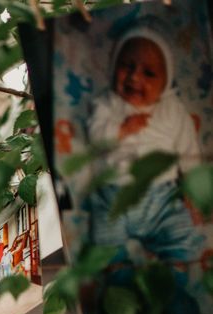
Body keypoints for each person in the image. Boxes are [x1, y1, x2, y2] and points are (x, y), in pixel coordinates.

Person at [86, 22, 204, 266]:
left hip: (161, 197)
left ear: (165, 82)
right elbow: (95, 138)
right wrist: (120, 130)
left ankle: (174, 274)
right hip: (113, 195)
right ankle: (120, 277)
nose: (134, 76)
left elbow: (188, 151)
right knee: (104, 243)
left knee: (183, 233)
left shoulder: (172, 110)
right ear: (114, 66)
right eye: (127, 66)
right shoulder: (107, 104)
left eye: (149, 73)